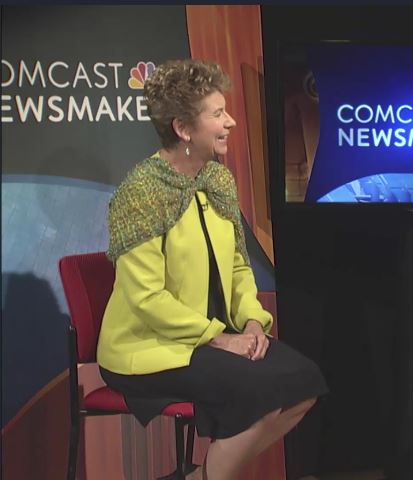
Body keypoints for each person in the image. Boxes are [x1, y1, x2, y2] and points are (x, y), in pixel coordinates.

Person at [97, 59, 328, 480]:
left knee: (303, 381)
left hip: (216, 337)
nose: (232, 122)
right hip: (149, 346)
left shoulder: (218, 181)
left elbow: (238, 265)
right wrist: (221, 340)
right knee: (257, 392)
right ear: (184, 129)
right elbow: (146, 299)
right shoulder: (141, 193)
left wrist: (253, 322)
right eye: (218, 114)